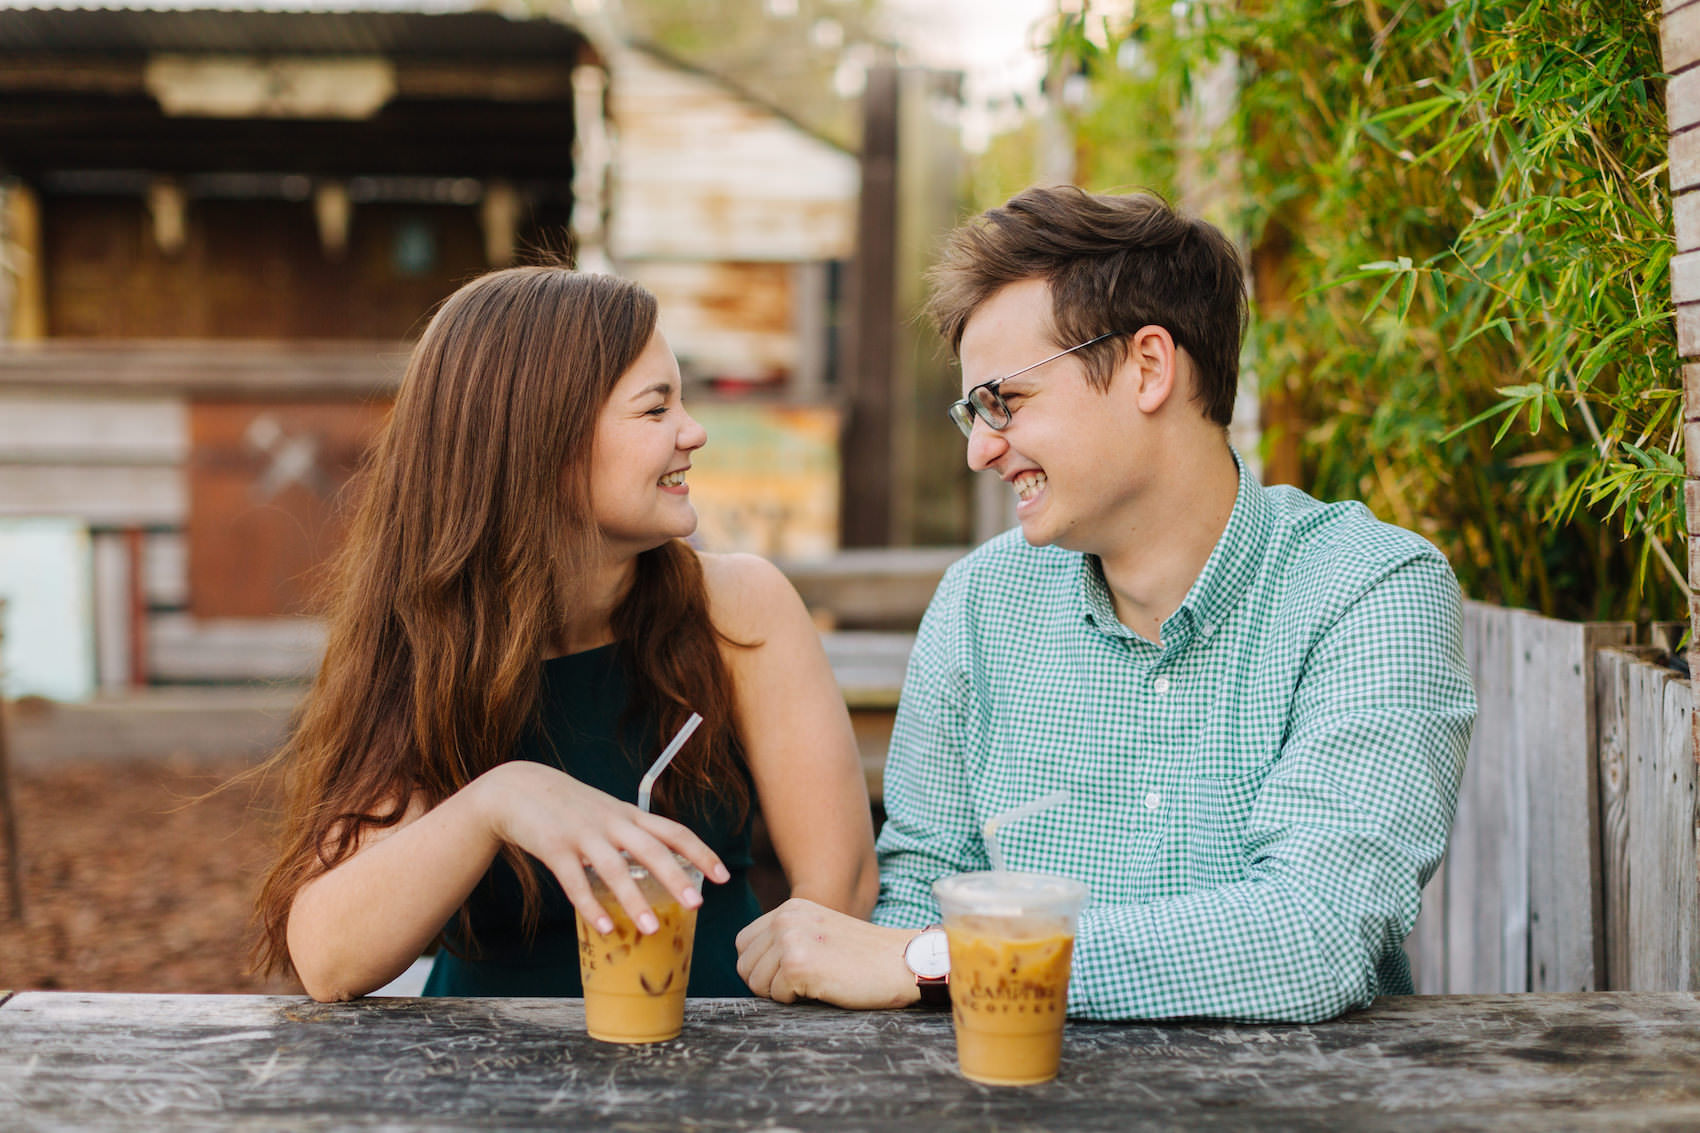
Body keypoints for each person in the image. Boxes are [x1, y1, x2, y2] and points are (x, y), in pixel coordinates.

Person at [734, 186, 1477, 1022]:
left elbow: (1313, 935)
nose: (980, 450)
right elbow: (915, 900)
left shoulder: (1370, 591)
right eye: (971, 412)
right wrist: (921, 952)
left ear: (1148, 368)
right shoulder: (979, 604)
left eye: (1004, 401)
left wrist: (946, 960)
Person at [254, 265, 879, 1002]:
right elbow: (328, 957)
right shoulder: (427, 637)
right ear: (544, 443)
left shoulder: (740, 609)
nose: (694, 430)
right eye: (656, 409)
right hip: (483, 1077)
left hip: (712, 1057)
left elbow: (841, 886)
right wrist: (498, 802)